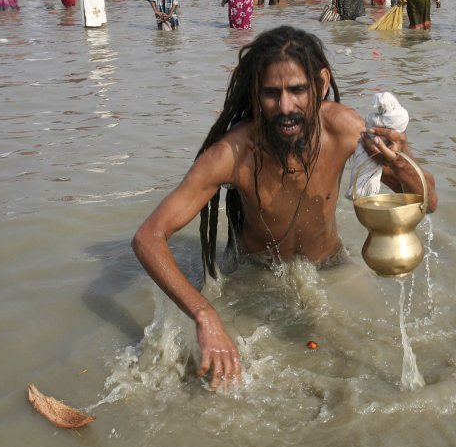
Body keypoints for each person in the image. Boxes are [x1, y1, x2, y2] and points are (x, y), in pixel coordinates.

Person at [131, 26, 437, 389]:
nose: (286, 107)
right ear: (256, 95)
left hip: (331, 266)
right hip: (255, 275)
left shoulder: (343, 130)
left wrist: (401, 160)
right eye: (272, 94)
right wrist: (204, 314)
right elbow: (148, 237)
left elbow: (428, 202)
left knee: (378, 356)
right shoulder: (234, 153)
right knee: (226, 388)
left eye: (297, 90)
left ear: (321, 84)